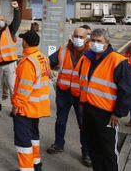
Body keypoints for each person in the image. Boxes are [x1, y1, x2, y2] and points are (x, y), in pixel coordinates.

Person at [73, 28, 131, 171]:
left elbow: (127, 92)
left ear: (107, 43)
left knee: (107, 152)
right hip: (89, 111)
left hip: (107, 116)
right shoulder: (87, 58)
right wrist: (82, 104)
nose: (95, 44)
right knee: (93, 148)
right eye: (93, 41)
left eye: (99, 41)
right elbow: (83, 82)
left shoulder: (118, 61)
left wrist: (118, 113)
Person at [46, 27, 91, 167]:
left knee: (83, 125)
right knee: (60, 120)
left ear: (87, 38)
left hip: (81, 95)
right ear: (72, 36)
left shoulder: (92, 53)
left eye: (81, 37)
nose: (78, 39)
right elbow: (47, 61)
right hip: (63, 91)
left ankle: (86, 153)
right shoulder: (63, 50)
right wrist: (49, 72)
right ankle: (58, 144)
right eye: (75, 36)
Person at [11, 30, 51, 171]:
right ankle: (36, 164)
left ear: (25, 42)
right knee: (34, 136)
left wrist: (16, 105)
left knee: (23, 140)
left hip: (26, 108)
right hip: (37, 107)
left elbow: (24, 88)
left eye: (23, 40)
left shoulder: (28, 62)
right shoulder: (42, 57)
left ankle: (26, 168)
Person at [0, 0, 21, 112]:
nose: (0, 21)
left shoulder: (10, 30)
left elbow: (17, 21)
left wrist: (16, 9)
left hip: (10, 63)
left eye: (2, 20)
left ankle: (15, 107)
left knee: (12, 86)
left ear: (5, 21)